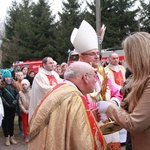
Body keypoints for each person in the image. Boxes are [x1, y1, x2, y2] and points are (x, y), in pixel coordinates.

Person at [28, 61, 107, 150]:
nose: (95, 80)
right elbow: (81, 140)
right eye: (94, 76)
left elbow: (66, 124)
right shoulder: (74, 97)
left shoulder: (61, 89)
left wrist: (89, 116)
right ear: (85, 77)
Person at [70, 20, 122, 149]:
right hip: (88, 123)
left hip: (108, 125)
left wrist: (112, 103)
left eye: (97, 53)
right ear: (81, 57)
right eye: (92, 54)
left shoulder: (103, 74)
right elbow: (75, 102)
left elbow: (116, 92)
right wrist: (95, 109)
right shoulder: (75, 77)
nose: (97, 57)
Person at [97, 32, 150, 150]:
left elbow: (135, 123)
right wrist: (114, 105)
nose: (125, 59)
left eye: (128, 54)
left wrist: (108, 108)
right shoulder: (139, 78)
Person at [28, 57, 62, 121]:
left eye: (53, 63)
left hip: (55, 103)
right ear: (44, 65)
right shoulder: (39, 76)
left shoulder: (55, 74)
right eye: (50, 63)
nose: (53, 65)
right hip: (44, 105)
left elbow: (60, 82)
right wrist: (58, 88)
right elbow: (43, 89)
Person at [0, 70, 18, 146]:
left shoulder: (14, 85)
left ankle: (12, 136)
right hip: (5, 107)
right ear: (4, 78)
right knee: (6, 122)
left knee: (11, 122)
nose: (8, 78)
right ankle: (7, 137)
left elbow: (17, 94)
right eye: (6, 77)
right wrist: (6, 104)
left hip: (13, 106)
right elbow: (1, 96)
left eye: (9, 77)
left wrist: (15, 102)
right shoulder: (1, 86)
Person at [18, 79, 30, 143]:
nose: (24, 86)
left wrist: (30, 109)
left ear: (28, 85)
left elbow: (33, 101)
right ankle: (26, 135)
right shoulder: (20, 93)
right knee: (25, 124)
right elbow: (20, 103)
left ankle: (30, 134)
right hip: (24, 111)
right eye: (23, 85)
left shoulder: (31, 92)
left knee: (30, 123)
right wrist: (24, 110)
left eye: (25, 84)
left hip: (30, 111)